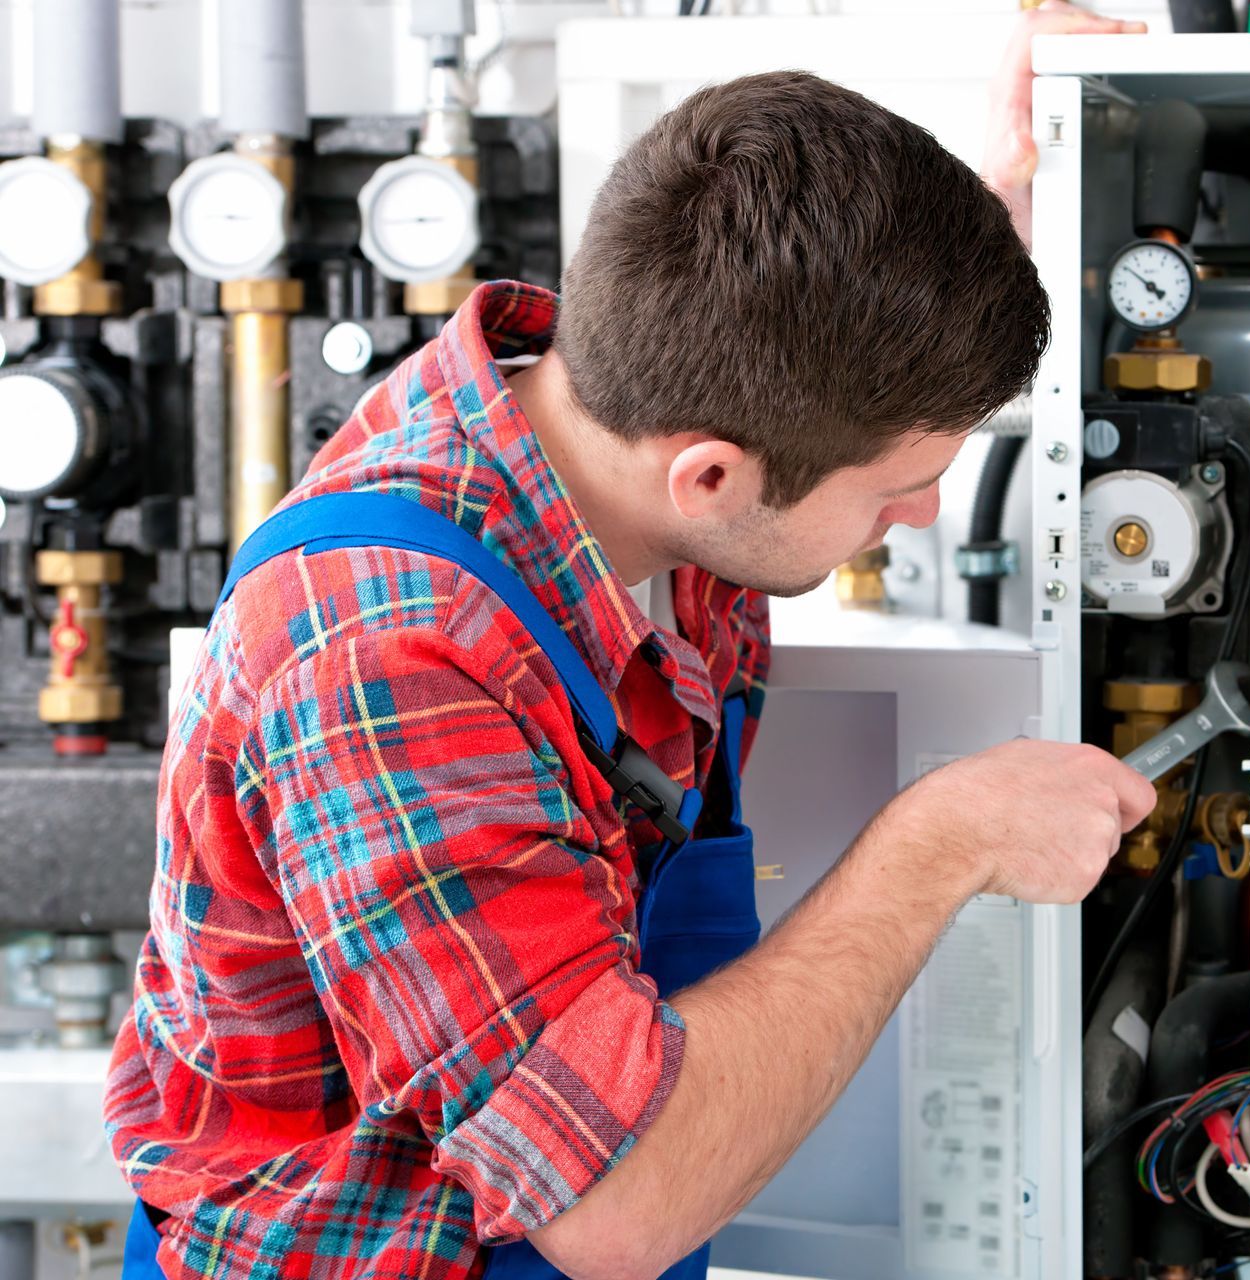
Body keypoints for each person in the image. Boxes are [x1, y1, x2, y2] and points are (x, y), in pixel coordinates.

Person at [104, 18, 1153, 1280]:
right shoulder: (385, 651)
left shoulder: (638, 414)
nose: (920, 513)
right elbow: (613, 1203)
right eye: (900, 490)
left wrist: (1010, 195)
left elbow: (812, 324)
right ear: (711, 477)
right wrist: (943, 845)